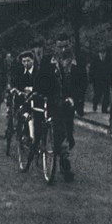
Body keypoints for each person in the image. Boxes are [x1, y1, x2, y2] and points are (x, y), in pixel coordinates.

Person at [34, 33, 87, 182]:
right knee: (58, 131)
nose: (63, 50)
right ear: (55, 46)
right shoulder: (48, 61)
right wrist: (42, 93)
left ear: (70, 45)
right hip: (52, 101)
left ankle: (63, 158)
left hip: (68, 103)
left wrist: (74, 98)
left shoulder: (77, 62)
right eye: (60, 47)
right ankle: (64, 162)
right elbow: (40, 79)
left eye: (65, 46)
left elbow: (83, 82)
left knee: (68, 133)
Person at [89, 46, 112, 113]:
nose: (102, 54)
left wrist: (111, 81)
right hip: (97, 81)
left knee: (106, 95)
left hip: (106, 81)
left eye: (104, 53)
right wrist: (91, 80)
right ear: (99, 53)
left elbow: (110, 71)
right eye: (101, 53)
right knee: (97, 94)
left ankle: (104, 109)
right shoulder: (95, 60)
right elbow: (91, 70)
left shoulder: (108, 60)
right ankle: (95, 104)